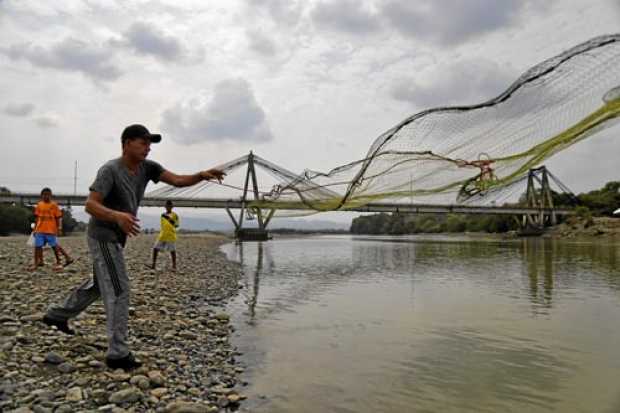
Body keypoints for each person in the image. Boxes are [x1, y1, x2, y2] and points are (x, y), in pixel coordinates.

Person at [42, 124, 225, 371]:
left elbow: (179, 180)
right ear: (126, 143)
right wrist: (117, 216)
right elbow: (90, 205)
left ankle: (56, 315)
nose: (148, 148)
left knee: (99, 284)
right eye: (143, 142)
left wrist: (202, 175)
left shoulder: (148, 168)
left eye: (150, 143)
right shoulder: (110, 170)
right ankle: (118, 353)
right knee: (119, 289)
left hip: (118, 237)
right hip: (103, 236)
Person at [29, 188, 74, 271]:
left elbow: (59, 218)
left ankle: (59, 261)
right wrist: (34, 229)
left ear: (51, 195)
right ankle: (36, 263)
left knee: (55, 247)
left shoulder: (54, 205)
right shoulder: (39, 205)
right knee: (37, 246)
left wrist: (59, 228)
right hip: (40, 230)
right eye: (44, 194)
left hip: (51, 230)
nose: (46, 196)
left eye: (48, 194)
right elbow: (37, 218)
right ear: (41, 196)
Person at [150, 200, 179, 271]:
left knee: (172, 251)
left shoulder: (175, 215)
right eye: (167, 206)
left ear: (172, 207)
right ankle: (153, 264)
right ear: (165, 206)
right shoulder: (162, 215)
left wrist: (169, 219)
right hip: (162, 234)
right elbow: (162, 225)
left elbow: (176, 225)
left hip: (171, 235)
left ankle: (174, 266)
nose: (168, 207)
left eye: (170, 206)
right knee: (155, 248)